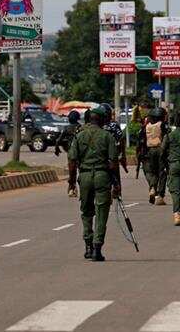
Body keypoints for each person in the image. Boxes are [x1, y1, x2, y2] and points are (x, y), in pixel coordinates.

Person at [68, 106, 119, 262]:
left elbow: (72, 161)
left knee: (86, 211)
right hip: (102, 176)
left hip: (84, 177)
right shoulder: (107, 136)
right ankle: (97, 248)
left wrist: (71, 182)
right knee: (102, 212)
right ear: (102, 120)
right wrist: (116, 184)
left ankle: (88, 245)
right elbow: (113, 163)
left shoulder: (79, 135)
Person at [101, 103, 128, 201]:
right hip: (112, 155)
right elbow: (121, 140)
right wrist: (123, 154)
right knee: (115, 173)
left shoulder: (96, 126)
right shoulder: (114, 125)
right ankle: (117, 190)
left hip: (99, 155)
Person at [55, 110, 83, 197]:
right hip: (81, 153)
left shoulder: (67, 128)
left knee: (72, 172)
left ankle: (72, 187)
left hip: (71, 153)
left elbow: (58, 140)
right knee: (81, 171)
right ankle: (78, 187)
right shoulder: (81, 127)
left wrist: (57, 148)